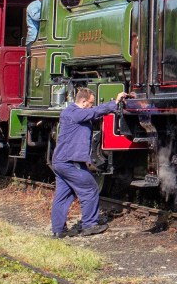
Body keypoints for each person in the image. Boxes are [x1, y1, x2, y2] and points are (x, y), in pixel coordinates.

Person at [50, 86, 129, 238]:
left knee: (63, 196)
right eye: (91, 103)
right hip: (70, 162)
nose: (92, 105)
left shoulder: (70, 113)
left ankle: (58, 230)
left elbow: (93, 115)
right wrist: (114, 102)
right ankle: (89, 225)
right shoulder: (74, 113)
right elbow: (93, 112)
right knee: (90, 189)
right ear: (84, 101)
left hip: (61, 161)